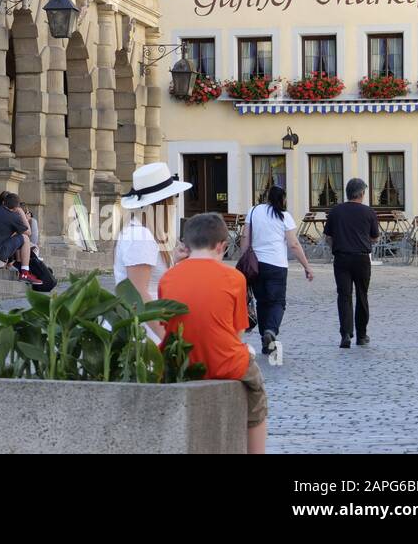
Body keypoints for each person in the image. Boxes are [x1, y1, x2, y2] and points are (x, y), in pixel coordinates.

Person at [160, 212, 269, 455]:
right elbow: (238, 332)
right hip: (224, 363)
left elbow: (166, 323)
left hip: (179, 362)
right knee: (257, 400)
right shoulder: (234, 278)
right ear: (221, 246)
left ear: (187, 246)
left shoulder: (168, 277)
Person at [114, 162, 191, 341]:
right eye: (173, 198)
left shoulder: (140, 231)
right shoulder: (141, 236)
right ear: (163, 202)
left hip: (147, 321)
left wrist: (173, 259)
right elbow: (138, 294)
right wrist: (165, 337)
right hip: (146, 328)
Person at [237, 184, 314, 356]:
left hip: (256, 264)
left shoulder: (254, 211)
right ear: (282, 199)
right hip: (277, 265)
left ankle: (266, 343)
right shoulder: (284, 216)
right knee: (278, 302)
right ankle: (271, 331)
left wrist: (243, 260)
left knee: (262, 301)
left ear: (266, 196)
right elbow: (293, 244)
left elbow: (245, 237)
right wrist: (306, 266)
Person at [324, 178, 380, 349]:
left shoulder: (336, 211)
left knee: (344, 296)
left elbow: (328, 237)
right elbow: (375, 237)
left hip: (341, 258)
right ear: (361, 193)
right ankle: (361, 335)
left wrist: (338, 246)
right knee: (362, 295)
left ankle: (346, 334)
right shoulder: (368, 212)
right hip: (362, 258)